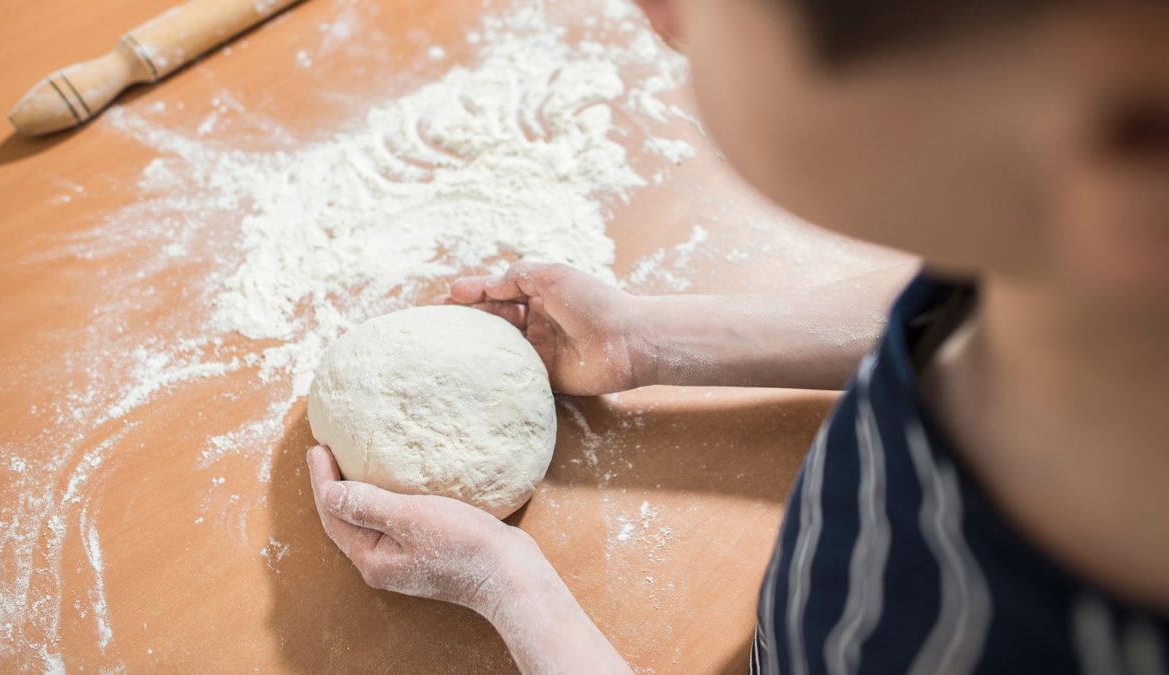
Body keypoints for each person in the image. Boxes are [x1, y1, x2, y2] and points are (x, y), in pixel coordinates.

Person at [305, 0, 1169, 671]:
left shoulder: (966, 639)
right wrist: (649, 340)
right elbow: (964, 289)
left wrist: (511, 586)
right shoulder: (1093, 266)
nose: (662, 12)